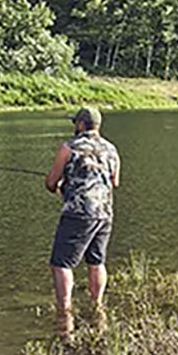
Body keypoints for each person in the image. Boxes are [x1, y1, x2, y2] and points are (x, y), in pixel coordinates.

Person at [45, 105, 121, 340]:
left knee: (61, 264)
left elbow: (50, 182)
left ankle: (64, 312)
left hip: (78, 212)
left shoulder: (69, 148)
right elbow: (115, 182)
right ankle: (97, 307)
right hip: (105, 212)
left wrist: (60, 187)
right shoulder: (111, 149)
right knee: (96, 261)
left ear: (80, 125)